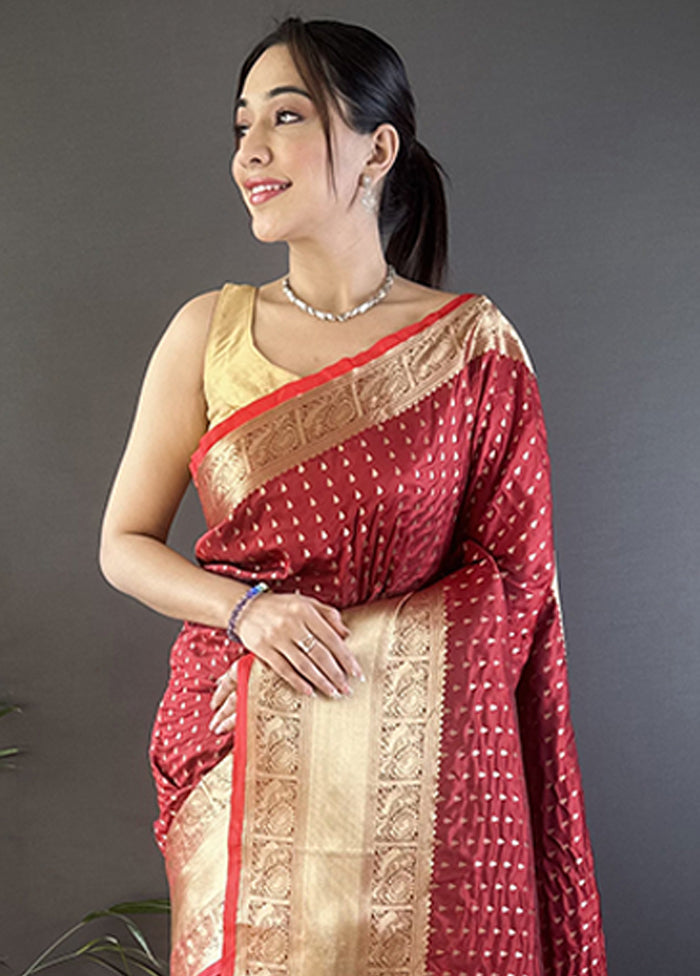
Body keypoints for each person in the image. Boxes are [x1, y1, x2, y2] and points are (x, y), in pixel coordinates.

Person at [99, 16, 608, 976]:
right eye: (242, 124)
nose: (250, 151)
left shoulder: (472, 349)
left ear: (378, 149)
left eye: (286, 117)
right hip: (238, 741)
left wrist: (368, 665)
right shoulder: (208, 333)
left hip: (429, 784)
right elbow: (123, 542)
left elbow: (516, 592)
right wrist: (248, 613)